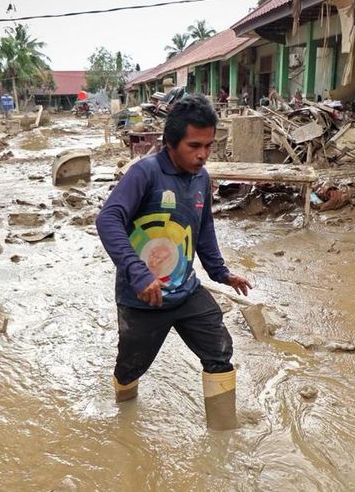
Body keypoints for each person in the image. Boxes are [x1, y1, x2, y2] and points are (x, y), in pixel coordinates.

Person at [96, 94, 252, 431]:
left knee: (219, 353)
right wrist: (138, 274)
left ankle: (224, 438)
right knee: (130, 368)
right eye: (194, 145)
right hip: (142, 299)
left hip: (187, 293)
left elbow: (203, 228)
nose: (203, 154)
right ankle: (124, 420)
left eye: (209, 145)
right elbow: (108, 220)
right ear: (170, 142)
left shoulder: (201, 178)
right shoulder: (145, 174)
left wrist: (221, 272)